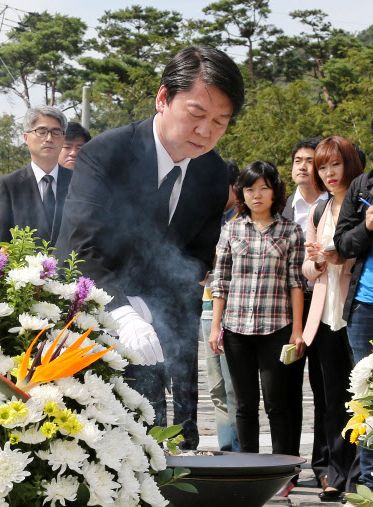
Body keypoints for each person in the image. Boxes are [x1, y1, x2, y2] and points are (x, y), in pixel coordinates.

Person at [56, 45, 244, 449]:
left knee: (151, 437)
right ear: (163, 98)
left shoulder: (212, 173)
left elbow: (194, 255)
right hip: (91, 313)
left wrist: (160, 307)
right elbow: (80, 248)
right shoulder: (106, 154)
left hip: (157, 321)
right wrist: (123, 309)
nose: (206, 131)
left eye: (220, 122)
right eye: (196, 114)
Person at [210, 160, 305, 455]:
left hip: (277, 327)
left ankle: (283, 468)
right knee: (244, 404)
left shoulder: (290, 231)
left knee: (278, 403)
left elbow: (296, 284)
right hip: (237, 328)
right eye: (250, 189)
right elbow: (221, 281)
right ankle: (247, 467)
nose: (257, 195)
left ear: (274, 192)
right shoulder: (232, 230)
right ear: (242, 194)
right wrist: (216, 326)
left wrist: (297, 331)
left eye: (264, 188)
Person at [302, 136, 363, 501]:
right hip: (324, 314)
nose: (329, 173)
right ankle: (334, 474)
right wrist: (319, 260)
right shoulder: (319, 210)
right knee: (329, 397)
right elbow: (307, 270)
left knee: (360, 396)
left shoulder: (360, 207)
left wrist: (341, 255)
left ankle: (359, 474)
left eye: (335, 165)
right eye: (322, 167)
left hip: (356, 310)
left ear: (350, 164)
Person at [281, 138, 329, 496]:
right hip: (288, 309)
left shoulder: (332, 206)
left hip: (326, 305)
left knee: (325, 389)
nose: (302, 166)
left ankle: (325, 466)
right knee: (286, 391)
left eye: (309, 161)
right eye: (297, 160)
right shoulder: (282, 208)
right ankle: (287, 468)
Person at [334, 123, 373, 492]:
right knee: (365, 397)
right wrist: (368, 225)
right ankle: (368, 487)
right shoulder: (363, 187)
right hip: (365, 306)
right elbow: (342, 243)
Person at [0, 106, 72, 248]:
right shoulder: (9, 186)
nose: (49, 138)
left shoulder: (77, 182)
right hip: (22, 268)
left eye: (56, 132)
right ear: (26, 137)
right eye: (41, 132)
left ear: (63, 139)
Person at [201, 160, 240, 452]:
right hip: (207, 306)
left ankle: (241, 451)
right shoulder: (206, 217)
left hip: (237, 309)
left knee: (234, 387)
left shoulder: (243, 221)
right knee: (216, 388)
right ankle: (227, 449)